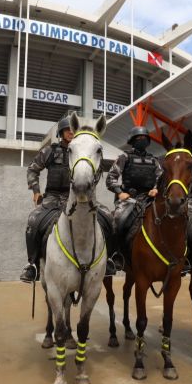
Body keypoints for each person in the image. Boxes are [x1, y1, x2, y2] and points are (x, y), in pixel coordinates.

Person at [19, 117, 114, 282]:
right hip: (53, 198)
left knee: (108, 218)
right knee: (33, 220)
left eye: (72, 130)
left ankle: (110, 258)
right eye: (66, 130)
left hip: (81, 197)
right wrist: (36, 190)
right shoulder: (49, 151)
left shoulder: (83, 149)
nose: (70, 132)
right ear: (61, 133)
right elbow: (33, 169)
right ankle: (32, 264)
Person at [106, 126, 192, 255]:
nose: (142, 140)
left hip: (149, 197)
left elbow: (160, 178)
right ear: (132, 141)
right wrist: (119, 192)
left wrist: (155, 189)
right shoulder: (124, 157)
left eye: (145, 138)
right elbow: (110, 179)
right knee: (118, 221)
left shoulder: (154, 160)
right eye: (139, 138)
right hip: (129, 199)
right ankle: (114, 255)